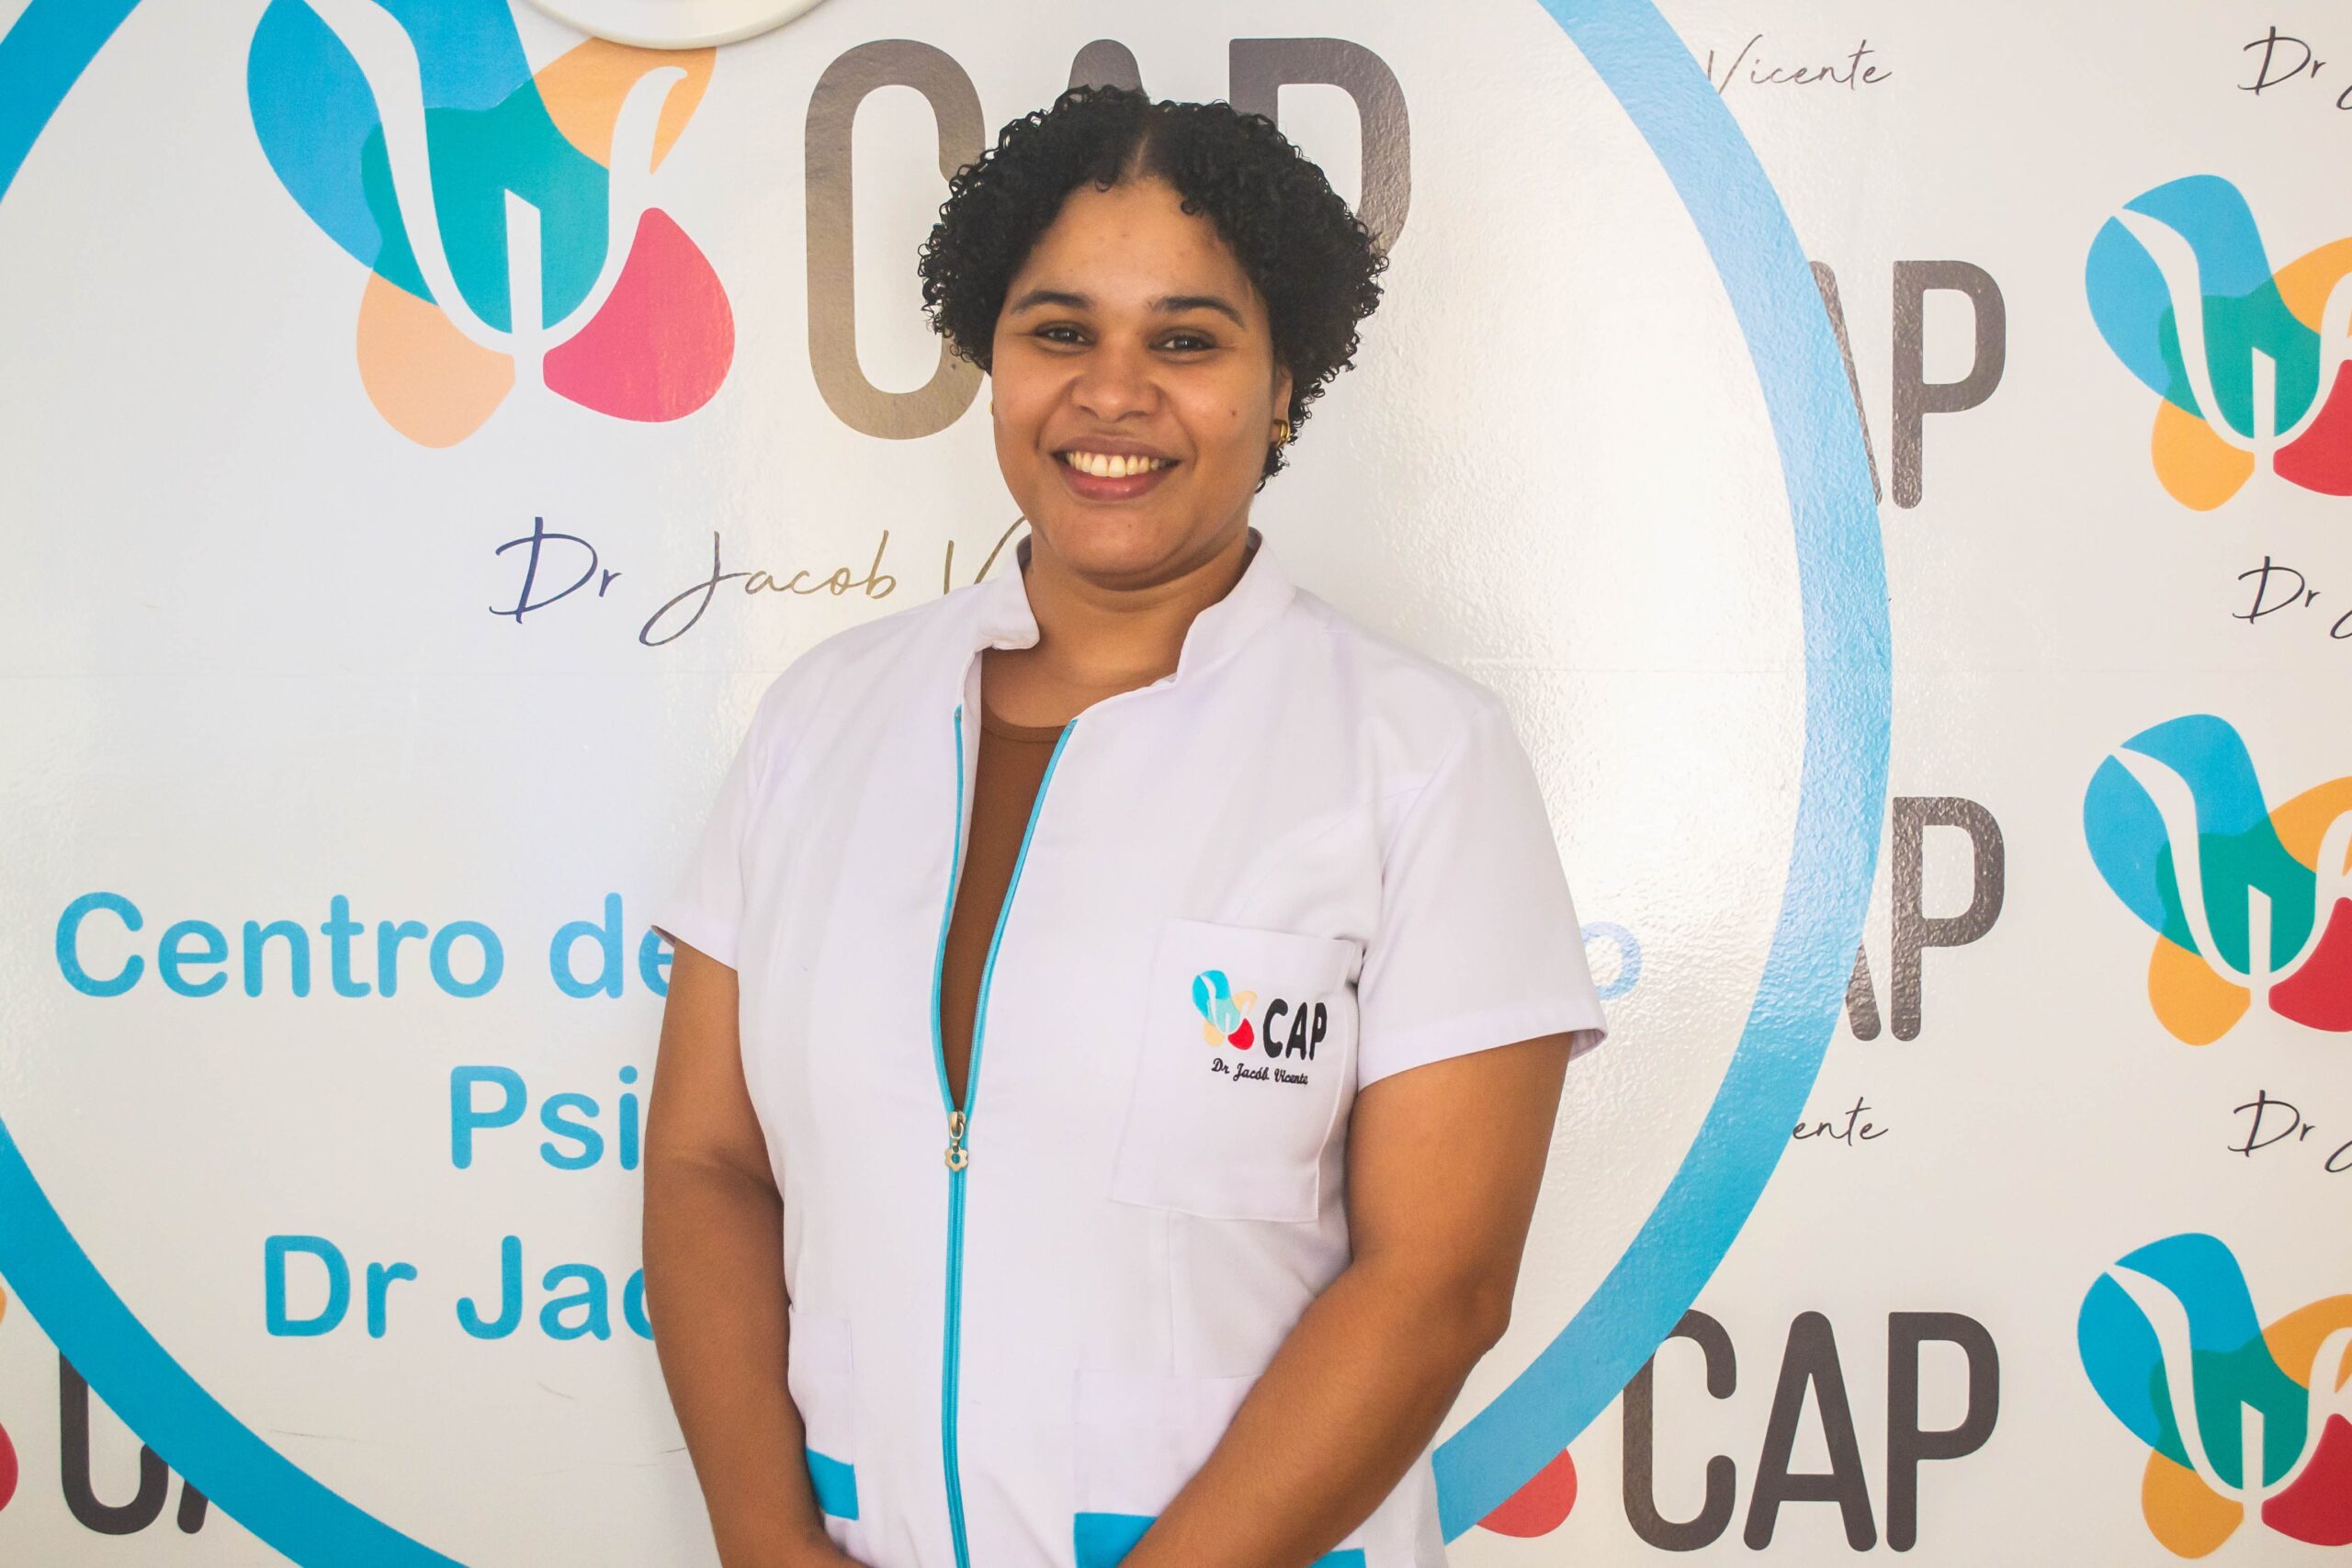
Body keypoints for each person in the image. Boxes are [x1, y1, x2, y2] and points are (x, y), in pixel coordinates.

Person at [643, 83, 1609, 1568]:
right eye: (1060, 332)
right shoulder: (820, 722)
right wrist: (770, 1545)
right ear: (994, 363)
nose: (1113, 393)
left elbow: (1437, 1287)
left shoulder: (1417, 758)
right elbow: (708, 1162)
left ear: (1282, 386)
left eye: (1186, 340)